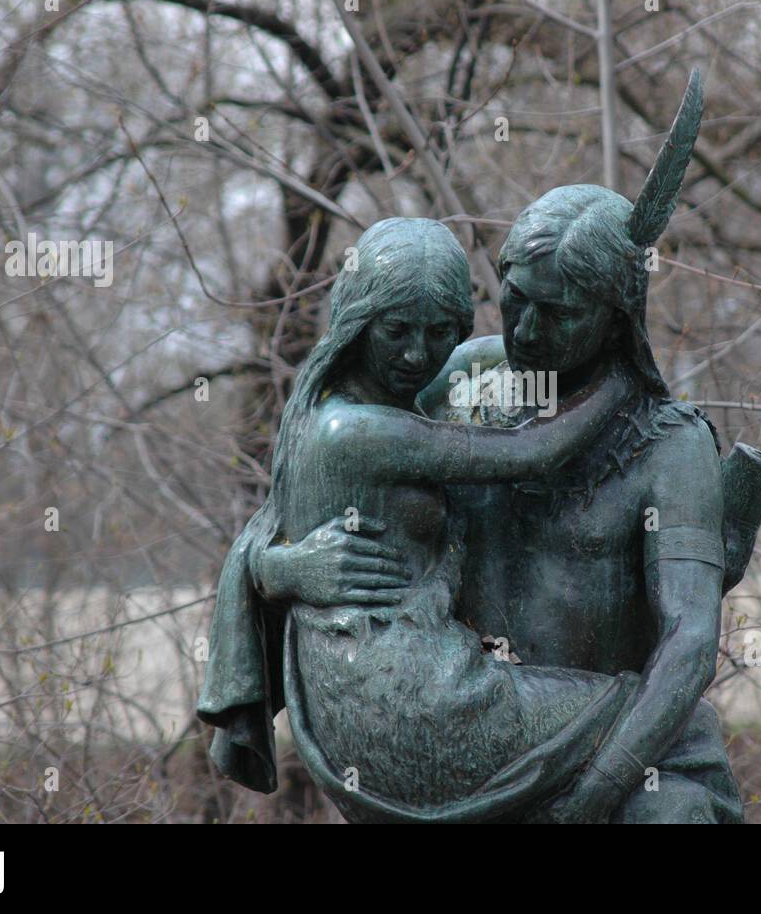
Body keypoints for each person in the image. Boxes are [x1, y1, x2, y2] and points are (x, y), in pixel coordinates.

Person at [198, 217, 640, 823]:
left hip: (375, 689)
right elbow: (533, 451)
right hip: (406, 700)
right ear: (358, 322)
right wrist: (623, 374)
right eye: (396, 331)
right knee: (658, 720)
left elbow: (483, 359)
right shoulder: (352, 429)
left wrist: (559, 337)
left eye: (439, 332)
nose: (416, 353)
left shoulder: (351, 403)